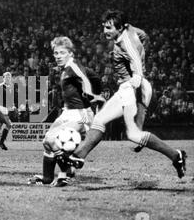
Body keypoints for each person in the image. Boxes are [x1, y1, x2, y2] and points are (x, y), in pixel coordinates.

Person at [65, 10, 187, 179]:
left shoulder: (125, 41)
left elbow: (135, 58)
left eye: (109, 28)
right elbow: (144, 36)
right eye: (104, 27)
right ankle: (78, 157)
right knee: (101, 121)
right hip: (129, 89)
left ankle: (175, 155)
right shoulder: (130, 31)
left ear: (120, 27)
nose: (105, 31)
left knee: (133, 134)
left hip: (133, 89)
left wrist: (136, 76)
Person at [29, 36, 103, 187]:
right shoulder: (67, 69)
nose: (58, 56)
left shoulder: (74, 66)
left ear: (70, 53)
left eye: (62, 53)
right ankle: (47, 178)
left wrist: (91, 95)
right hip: (68, 112)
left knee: (52, 140)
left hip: (80, 114)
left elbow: (86, 79)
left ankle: (67, 171)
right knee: (46, 142)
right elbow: (94, 77)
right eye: (56, 53)